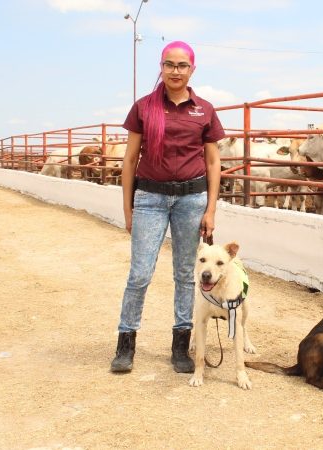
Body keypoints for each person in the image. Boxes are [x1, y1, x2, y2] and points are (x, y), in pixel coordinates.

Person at [110, 41, 224, 374]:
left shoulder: (204, 110)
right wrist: (129, 208)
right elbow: (130, 160)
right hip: (150, 198)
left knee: (185, 276)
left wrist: (211, 209)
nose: (175, 71)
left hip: (192, 199)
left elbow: (213, 161)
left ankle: (180, 346)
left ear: (192, 69)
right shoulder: (144, 107)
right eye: (169, 65)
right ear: (161, 67)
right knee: (140, 273)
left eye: (182, 65)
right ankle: (125, 343)